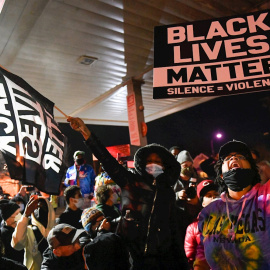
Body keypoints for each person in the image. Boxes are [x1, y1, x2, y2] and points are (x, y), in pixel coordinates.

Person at [67, 116, 189, 270]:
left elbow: (173, 232)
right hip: (128, 257)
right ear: (142, 164)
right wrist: (86, 132)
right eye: (149, 161)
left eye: (158, 162)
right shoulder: (130, 182)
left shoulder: (168, 193)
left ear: (165, 166)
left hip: (159, 260)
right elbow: (106, 160)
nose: (154, 164)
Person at [194, 140, 267, 270]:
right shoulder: (209, 212)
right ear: (221, 175)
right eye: (227, 158)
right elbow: (202, 251)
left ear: (251, 168)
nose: (234, 158)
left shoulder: (266, 197)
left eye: (241, 157)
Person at [11, 195, 55, 270]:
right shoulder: (27, 230)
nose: (39, 210)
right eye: (36, 208)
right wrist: (25, 215)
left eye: (43, 207)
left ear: (49, 210)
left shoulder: (56, 230)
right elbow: (17, 245)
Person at [184, 180, 219, 269]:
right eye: (209, 196)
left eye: (216, 194)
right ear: (202, 202)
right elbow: (189, 257)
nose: (213, 198)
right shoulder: (193, 227)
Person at [0, 200, 24, 264]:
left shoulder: (21, 228)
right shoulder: (3, 234)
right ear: (8, 218)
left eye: (19, 212)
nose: (19, 215)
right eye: (16, 214)